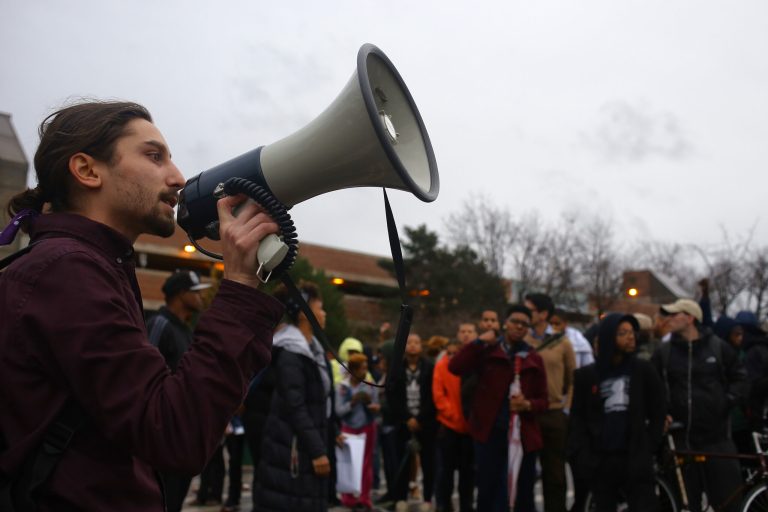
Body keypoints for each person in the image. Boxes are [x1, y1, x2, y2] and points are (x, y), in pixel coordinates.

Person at [0, 101, 283, 511]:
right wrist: (239, 285)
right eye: (154, 156)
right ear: (87, 170)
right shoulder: (67, 271)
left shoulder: (90, 266)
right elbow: (174, 432)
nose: (178, 177)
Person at [651, 299, 748, 512]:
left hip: (717, 440)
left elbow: (740, 378)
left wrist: (727, 401)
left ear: (690, 317)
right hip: (681, 441)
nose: (669, 319)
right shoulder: (663, 352)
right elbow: (652, 387)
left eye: (675, 314)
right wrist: (662, 412)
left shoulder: (717, 347)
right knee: (684, 505)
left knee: (728, 503)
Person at [449, 304, 549, 512]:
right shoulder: (488, 351)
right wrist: (478, 341)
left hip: (522, 436)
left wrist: (527, 404)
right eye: (515, 322)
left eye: (524, 324)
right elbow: (455, 367)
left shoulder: (533, 358)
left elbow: (544, 400)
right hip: (489, 432)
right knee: (488, 490)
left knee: (522, 493)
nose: (519, 327)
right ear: (505, 323)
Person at [568, 313, 666, 512]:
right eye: (623, 333)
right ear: (607, 337)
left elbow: (659, 409)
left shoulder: (643, 370)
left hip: (636, 458)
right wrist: (583, 455)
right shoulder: (586, 376)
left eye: (632, 332)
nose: (630, 337)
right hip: (601, 460)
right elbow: (578, 418)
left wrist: (649, 445)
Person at [254, 281, 339, 512]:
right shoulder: (292, 352)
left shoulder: (312, 350)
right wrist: (318, 450)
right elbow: (296, 406)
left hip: (301, 449)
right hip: (293, 451)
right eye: (319, 307)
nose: (324, 313)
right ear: (304, 313)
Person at [145, 270, 213, 511]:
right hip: (160, 442)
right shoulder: (159, 324)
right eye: (195, 293)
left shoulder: (186, 329)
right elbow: (143, 378)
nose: (201, 298)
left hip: (181, 439)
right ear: (181, 295)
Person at [524, 293, 576, 512]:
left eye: (530, 310)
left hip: (554, 413)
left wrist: (566, 409)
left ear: (543, 314)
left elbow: (573, 380)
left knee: (554, 474)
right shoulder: (522, 340)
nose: (526, 315)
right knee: (524, 472)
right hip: (527, 412)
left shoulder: (562, 342)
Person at [386, 333, 438, 511]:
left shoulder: (430, 368)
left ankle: (428, 498)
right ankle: (400, 498)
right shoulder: (396, 368)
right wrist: (407, 418)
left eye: (416, 342)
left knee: (428, 461)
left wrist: (420, 418)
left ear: (421, 346)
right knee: (401, 459)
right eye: (409, 342)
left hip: (426, 422)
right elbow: (391, 396)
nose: (413, 346)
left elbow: (434, 397)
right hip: (403, 422)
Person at [432, 338, 474, 512]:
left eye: (455, 353)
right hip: (449, 426)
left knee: (468, 473)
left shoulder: (469, 368)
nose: (451, 357)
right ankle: (444, 504)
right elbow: (438, 395)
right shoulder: (441, 366)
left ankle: (466, 505)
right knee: (445, 471)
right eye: (448, 353)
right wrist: (453, 415)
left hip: (468, 428)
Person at [335, 353, 380, 512]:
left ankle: (364, 498)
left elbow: (377, 407)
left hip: (367, 427)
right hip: (348, 429)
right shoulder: (342, 387)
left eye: (366, 368)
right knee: (348, 463)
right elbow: (339, 411)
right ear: (353, 370)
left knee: (366, 464)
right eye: (362, 369)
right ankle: (348, 498)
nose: (365, 372)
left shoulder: (369, 385)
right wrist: (352, 403)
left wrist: (373, 407)